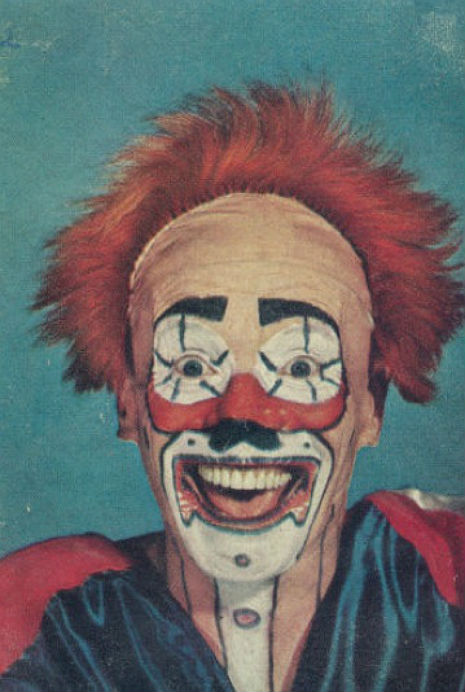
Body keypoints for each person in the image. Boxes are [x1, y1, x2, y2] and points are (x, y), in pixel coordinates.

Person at [0, 84, 463, 692]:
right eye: (192, 367)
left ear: (370, 406)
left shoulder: (441, 577)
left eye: (301, 368)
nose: (242, 414)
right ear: (129, 402)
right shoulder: (43, 624)